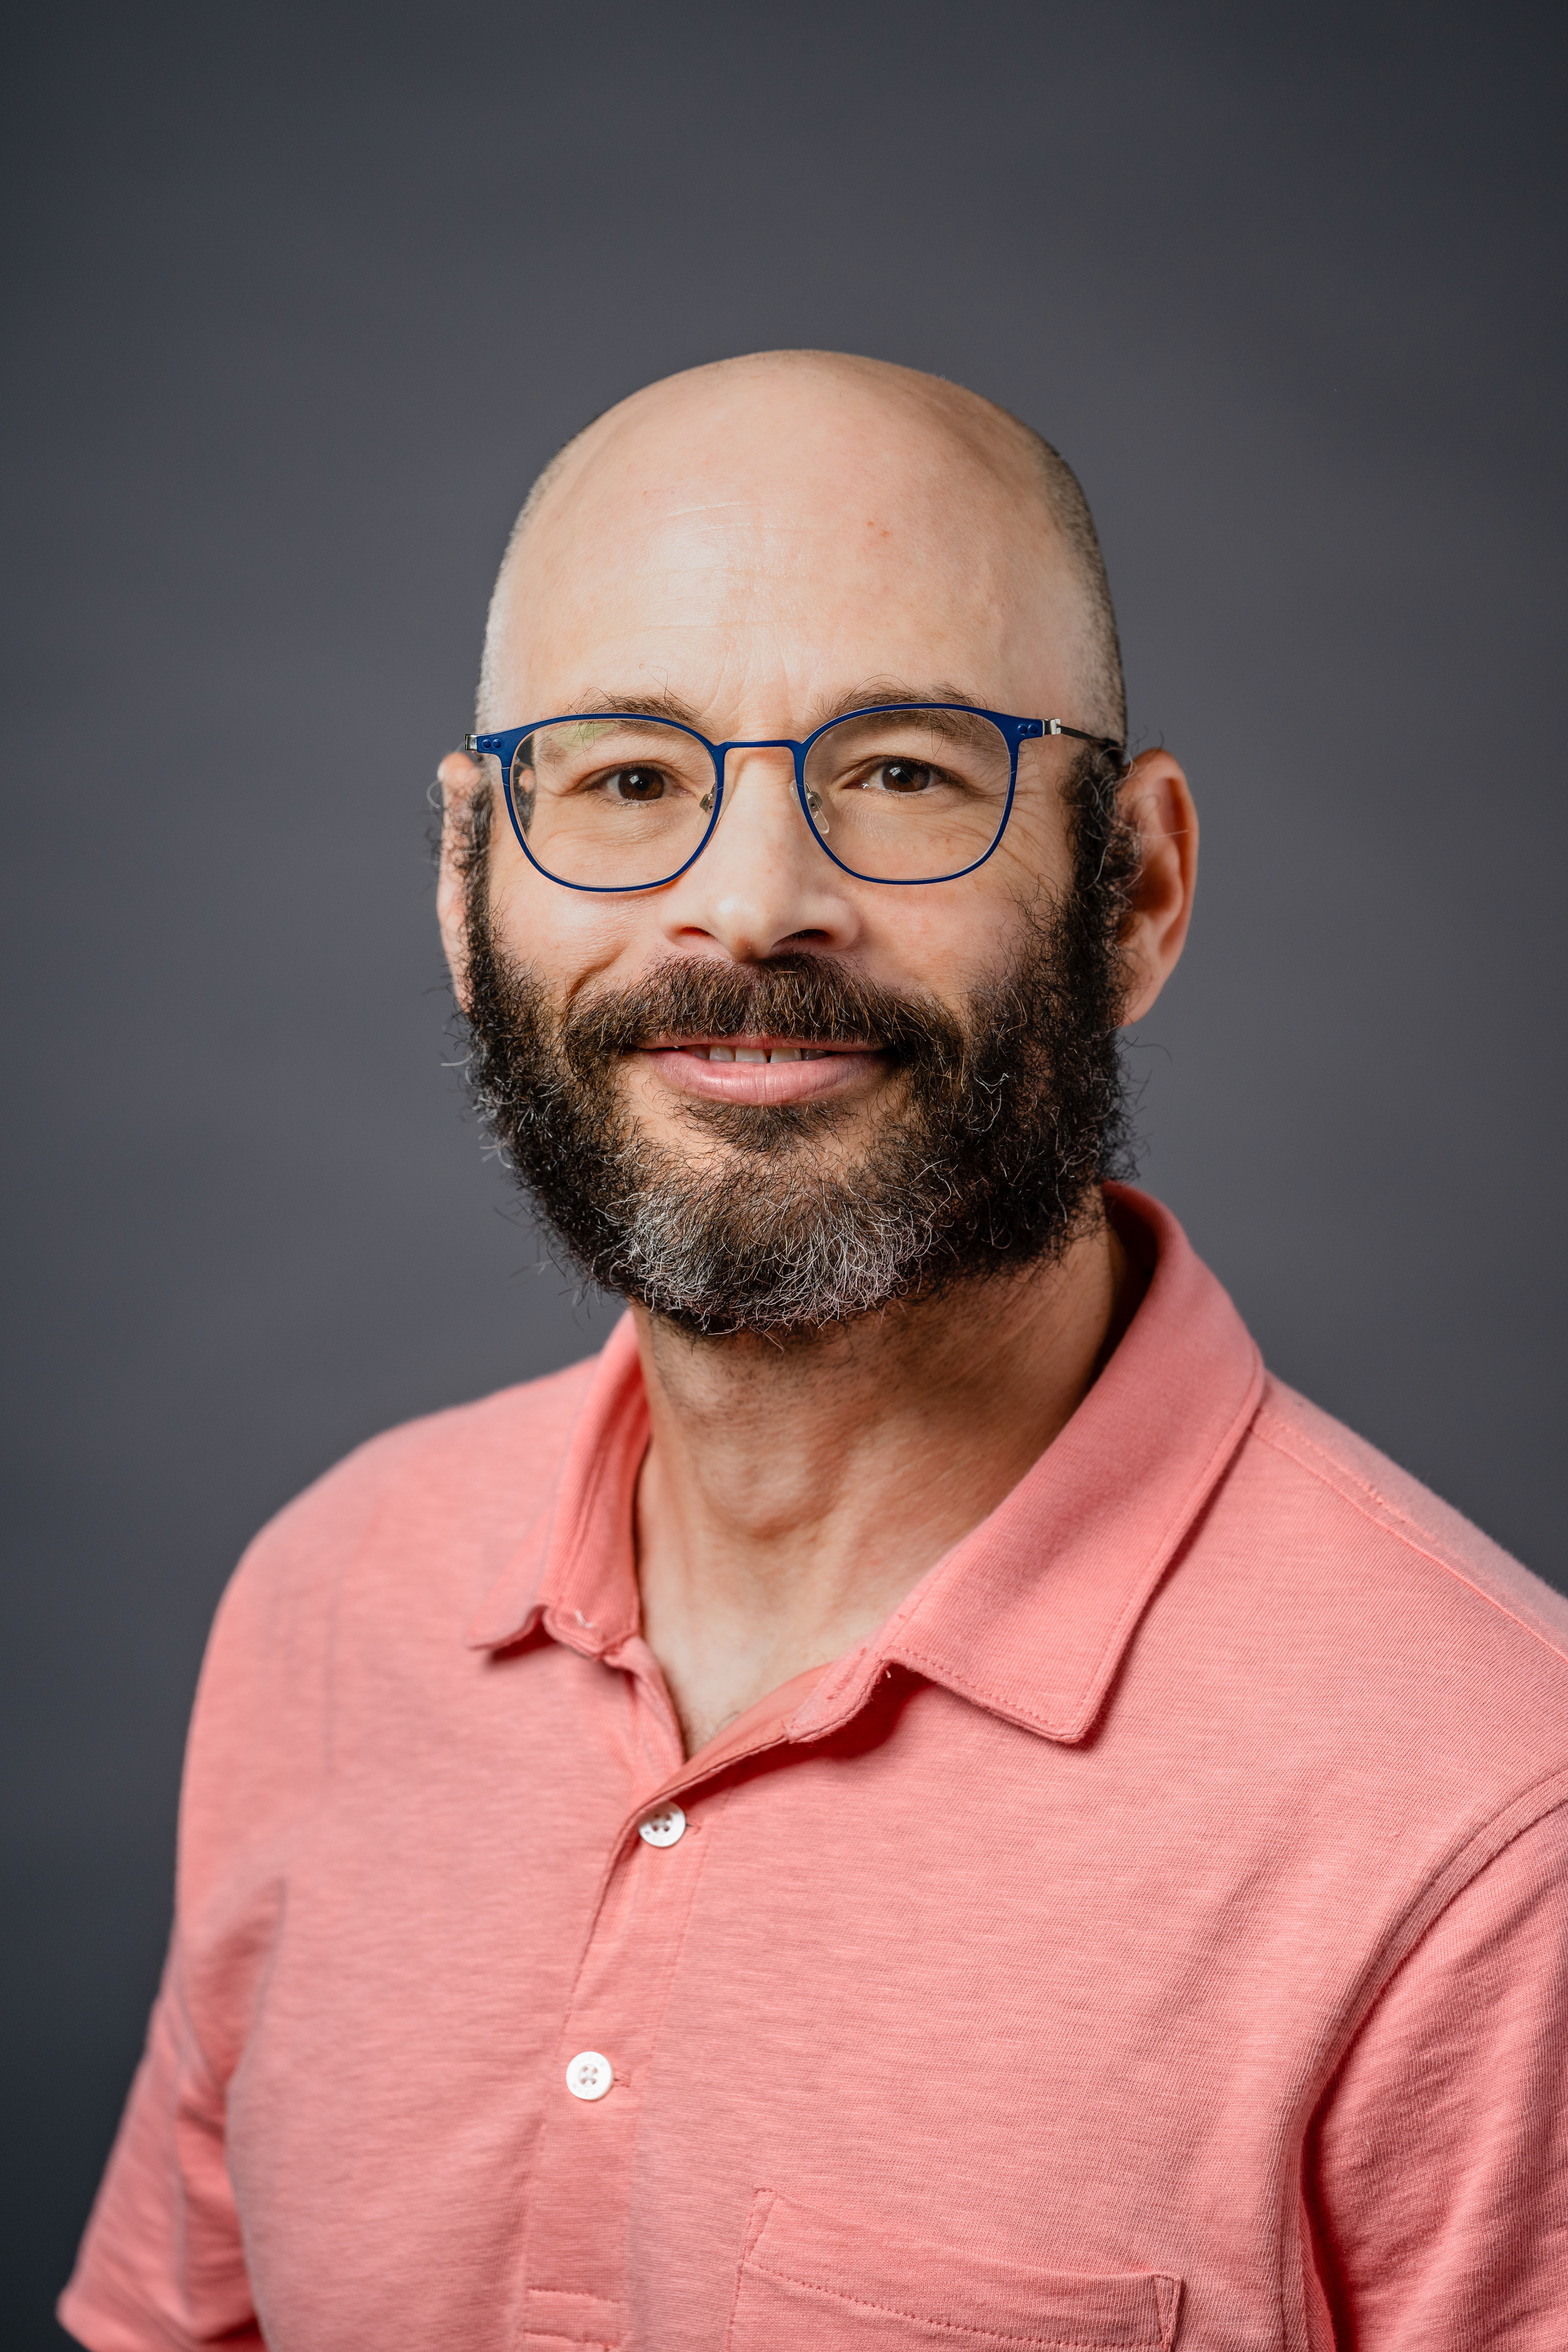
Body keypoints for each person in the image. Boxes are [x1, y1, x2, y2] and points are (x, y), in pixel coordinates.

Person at [61, 351, 1568, 2352]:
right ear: (461, 880)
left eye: (906, 774)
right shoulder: (329, 1600)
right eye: (623, 777)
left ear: (1135, 887)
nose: (752, 906)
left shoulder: (1493, 1826)